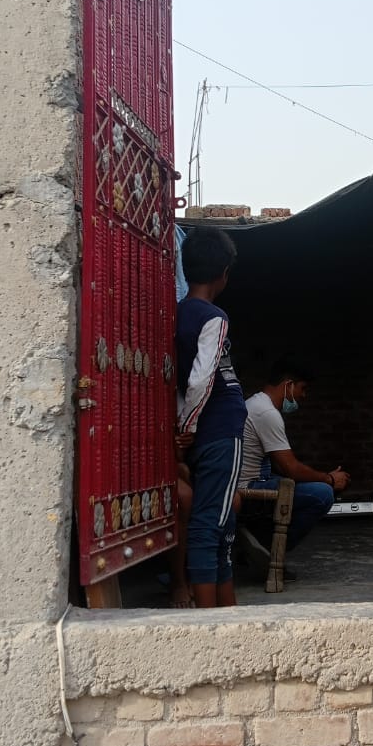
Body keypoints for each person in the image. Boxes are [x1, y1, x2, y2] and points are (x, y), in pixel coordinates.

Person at [175, 228, 246, 609]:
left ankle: (224, 612)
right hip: (219, 426)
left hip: (202, 429)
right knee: (210, 525)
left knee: (218, 523)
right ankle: (209, 621)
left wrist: (183, 423)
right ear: (223, 274)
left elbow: (179, 379)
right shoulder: (214, 317)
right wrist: (189, 424)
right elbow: (202, 377)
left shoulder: (177, 315)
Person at [236, 357, 350, 569]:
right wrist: (329, 479)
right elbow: (290, 468)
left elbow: (281, 467)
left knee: (310, 486)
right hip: (249, 490)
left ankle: (256, 541)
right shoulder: (267, 413)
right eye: (302, 388)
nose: (303, 396)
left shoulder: (258, 404)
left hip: (260, 480)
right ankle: (266, 547)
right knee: (322, 494)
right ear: (288, 385)